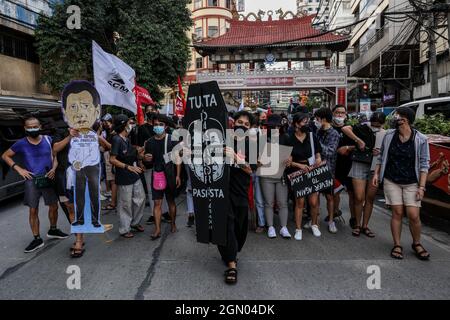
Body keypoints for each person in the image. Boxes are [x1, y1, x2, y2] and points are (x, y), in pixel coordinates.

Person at [2, 116, 68, 253]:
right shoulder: (21, 143)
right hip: (32, 180)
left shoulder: (48, 140)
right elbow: (5, 156)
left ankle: (53, 229)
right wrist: (19, 169)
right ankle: (36, 238)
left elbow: (56, 155)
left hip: (48, 177)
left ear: (40, 126)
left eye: (35, 126)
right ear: (25, 128)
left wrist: (54, 169)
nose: (33, 129)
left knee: (54, 206)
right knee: (33, 209)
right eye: (30, 127)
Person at [373, 107, 431, 261]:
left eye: (400, 116)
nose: (397, 118)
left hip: (412, 182)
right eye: (397, 115)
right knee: (397, 212)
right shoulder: (389, 135)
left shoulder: (421, 139)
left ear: (407, 120)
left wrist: (422, 187)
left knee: (413, 215)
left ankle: (417, 243)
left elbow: (424, 165)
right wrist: (377, 173)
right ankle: (397, 244)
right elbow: (381, 157)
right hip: (392, 179)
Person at [221, 111, 256, 284]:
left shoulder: (252, 145)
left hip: (241, 191)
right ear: (233, 123)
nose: (242, 125)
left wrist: (234, 157)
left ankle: (231, 252)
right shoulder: (223, 141)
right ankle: (232, 264)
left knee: (240, 228)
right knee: (227, 223)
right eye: (239, 122)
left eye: (246, 124)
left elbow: (250, 170)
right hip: (222, 191)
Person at [343, 112, 386, 238]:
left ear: (382, 124)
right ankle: (357, 224)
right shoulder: (362, 127)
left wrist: (380, 151)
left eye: (378, 125)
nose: (375, 127)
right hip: (360, 163)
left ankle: (365, 225)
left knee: (370, 198)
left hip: (375, 166)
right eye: (373, 124)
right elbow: (345, 128)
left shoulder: (386, 133)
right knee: (359, 196)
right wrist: (358, 140)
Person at [144, 114, 182, 240]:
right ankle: (157, 229)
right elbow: (147, 161)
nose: (158, 127)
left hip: (170, 174)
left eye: (161, 125)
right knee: (157, 203)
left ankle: (173, 223)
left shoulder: (172, 140)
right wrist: (145, 159)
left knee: (171, 201)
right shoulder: (149, 142)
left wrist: (177, 175)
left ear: (165, 126)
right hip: (157, 174)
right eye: (155, 125)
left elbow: (177, 158)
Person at [286, 113, 322, 241]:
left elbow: (318, 154)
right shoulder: (290, 139)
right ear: (296, 124)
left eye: (307, 121)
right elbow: (288, 161)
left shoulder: (312, 137)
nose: (306, 124)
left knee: (313, 202)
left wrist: (318, 159)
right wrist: (300, 166)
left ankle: (314, 224)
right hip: (297, 172)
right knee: (299, 202)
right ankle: (298, 228)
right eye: (304, 122)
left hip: (312, 170)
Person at [110, 114, 146, 238]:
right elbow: (112, 159)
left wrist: (141, 155)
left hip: (134, 173)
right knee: (125, 204)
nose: (131, 125)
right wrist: (127, 166)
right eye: (129, 123)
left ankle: (135, 222)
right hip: (124, 175)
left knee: (140, 199)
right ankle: (125, 229)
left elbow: (131, 154)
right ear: (124, 125)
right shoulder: (116, 139)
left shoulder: (127, 139)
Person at [53, 127, 86, 257]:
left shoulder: (86, 130)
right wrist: (69, 136)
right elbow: (55, 149)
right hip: (63, 176)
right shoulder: (60, 130)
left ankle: (79, 240)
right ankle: (79, 238)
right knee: (70, 208)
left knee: (80, 208)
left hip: (80, 175)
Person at [259, 114, 291, 239]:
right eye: (273, 126)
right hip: (266, 174)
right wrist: (258, 160)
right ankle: (270, 226)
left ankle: (284, 227)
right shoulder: (262, 138)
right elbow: (256, 156)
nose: (276, 128)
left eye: (278, 126)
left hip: (281, 174)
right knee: (269, 202)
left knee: (283, 203)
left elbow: (291, 154)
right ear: (268, 127)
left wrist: (290, 159)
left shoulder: (286, 137)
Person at [314, 107, 341, 234]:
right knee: (316, 196)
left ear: (324, 119)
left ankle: (331, 221)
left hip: (328, 169)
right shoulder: (318, 131)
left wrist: (317, 145)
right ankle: (315, 220)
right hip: (316, 169)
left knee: (329, 197)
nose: (316, 121)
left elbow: (330, 151)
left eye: (317, 119)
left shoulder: (334, 133)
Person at [332, 105, 357, 228]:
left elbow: (359, 144)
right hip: (334, 166)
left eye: (342, 113)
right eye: (337, 112)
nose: (340, 115)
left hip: (350, 165)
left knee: (352, 193)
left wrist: (347, 147)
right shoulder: (329, 129)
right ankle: (335, 212)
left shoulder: (351, 129)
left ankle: (354, 218)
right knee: (335, 191)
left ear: (346, 115)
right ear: (333, 114)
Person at [249, 119, 265, 233]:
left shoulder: (262, 141)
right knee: (248, 198)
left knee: (259, 199)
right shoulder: (242, 141)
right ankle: (252, 221)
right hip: (247, 172)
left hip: (258, 172)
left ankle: (261, 223)